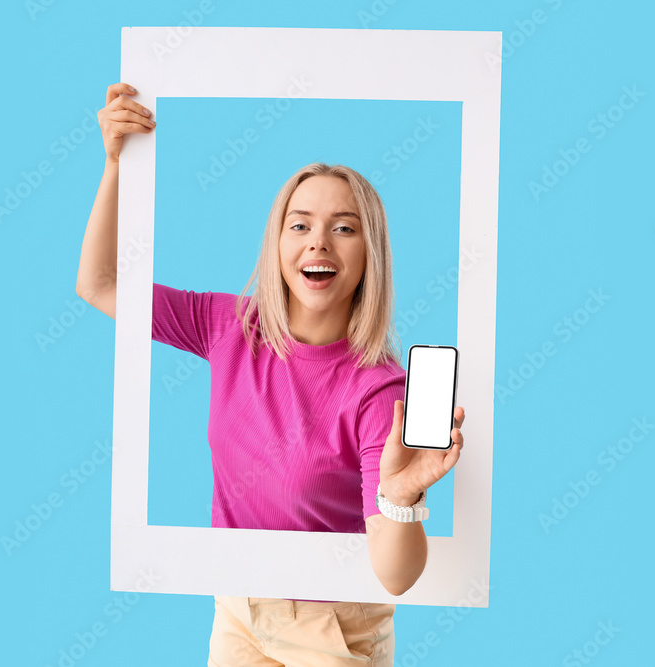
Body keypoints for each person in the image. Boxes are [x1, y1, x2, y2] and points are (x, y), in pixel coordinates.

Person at [76, 82, 466, 666]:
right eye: (300, 224)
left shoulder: (378, 389)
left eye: (344, 227)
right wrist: (114, 163)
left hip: (334, 625)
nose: (319, 243)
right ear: (278, 241)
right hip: (239, 607)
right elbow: (100, 284)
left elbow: (394, 573)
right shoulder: (228, 326)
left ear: (370, 252)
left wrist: (400, 496)